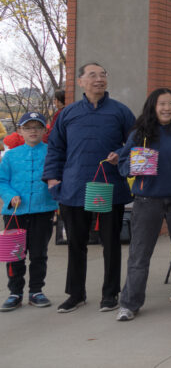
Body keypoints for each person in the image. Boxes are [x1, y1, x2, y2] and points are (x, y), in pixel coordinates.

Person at [42, 62, 134, 314]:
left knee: (111, 243)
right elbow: (55, 148)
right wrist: (52, 178)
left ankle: (110, 294)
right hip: (74, 187)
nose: (99, 79)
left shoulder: (120, 111)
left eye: (103, 75)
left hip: (109, 186)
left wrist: (121, 154)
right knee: (75, 243)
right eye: (92, 75)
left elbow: (137, 142)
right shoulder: (68, 114)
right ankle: (75, 294)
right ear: (80, 81)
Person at [114, 89, 171, 321]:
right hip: (147, 200)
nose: (166, 108)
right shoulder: (139, 133)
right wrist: (133, 167)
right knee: (139, 253)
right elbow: (123, 164)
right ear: (153, 106)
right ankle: (130, 303)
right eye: (162, 104)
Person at [0, 112, 58, 311]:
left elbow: (59, 178)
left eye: (37, 127)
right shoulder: (11, 155)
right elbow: (2, 181)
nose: (33, 131)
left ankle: (36, 291)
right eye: (28, 127)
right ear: (20, 131)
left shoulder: (52, 153)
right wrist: (10, 196)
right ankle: (15, 292)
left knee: (39, 253)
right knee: (15, 254)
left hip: (43, 210)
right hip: (15, 213)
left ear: (44, 130)